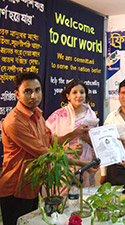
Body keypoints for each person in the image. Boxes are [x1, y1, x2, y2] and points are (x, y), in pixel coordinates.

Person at [0, 72, 90, 225]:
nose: (34, 95)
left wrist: (73, 134)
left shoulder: (37, 115)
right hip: (16, 188)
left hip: (33, 185)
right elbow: (44, 153)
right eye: (28, 91)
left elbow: (51, 141)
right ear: (17, 94)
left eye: (37, 90)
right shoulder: (14, 122)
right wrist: (83, 164)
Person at [46, 79, 99, 195]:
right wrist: (74, 135)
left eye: (82, 92)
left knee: (83, 200)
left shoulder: (91, 115)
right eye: (74, 92)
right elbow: (48, 143)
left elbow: (96, 144)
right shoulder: (58, 116)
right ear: (68, 96)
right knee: (62, 201)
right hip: (63, 165)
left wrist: (87, 139)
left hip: (85, 165)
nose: (79, 96)